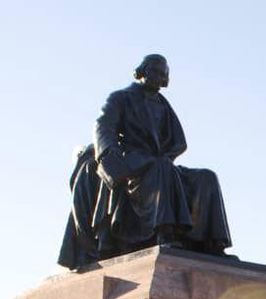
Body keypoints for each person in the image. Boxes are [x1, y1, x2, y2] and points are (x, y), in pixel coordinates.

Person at [87, 54, 232, 260]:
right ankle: (164, 232)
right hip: (135, 165)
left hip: (162, 165)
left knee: (207, 177)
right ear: (142, 71)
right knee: (162, 168)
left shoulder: (163, 105)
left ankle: (213, 243)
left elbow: (178, 143)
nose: (159, 77)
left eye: (163, 74)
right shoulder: (121, 98)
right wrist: (111, 155)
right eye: (154, 71)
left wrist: (167, 156)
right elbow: (103, 126)